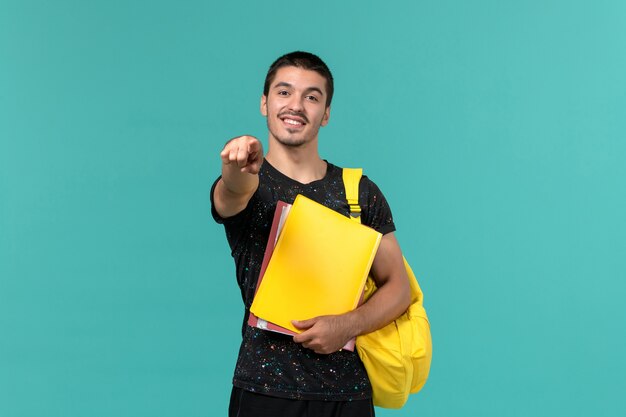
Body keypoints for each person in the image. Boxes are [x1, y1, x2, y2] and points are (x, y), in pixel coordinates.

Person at [211, 51, 411, 417]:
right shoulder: (250, 183)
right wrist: (235, 162)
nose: (296, 105)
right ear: (264, 103)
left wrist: (347, 325)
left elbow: (399, 287)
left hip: (348, 396)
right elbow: (232, 191)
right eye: (284, 92)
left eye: (312, 96)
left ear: (327, 113)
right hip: (265, 392)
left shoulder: (359, 192)